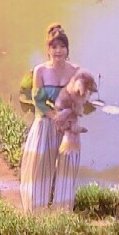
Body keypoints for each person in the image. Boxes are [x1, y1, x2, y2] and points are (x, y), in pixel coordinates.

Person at [18, 23, 77, 211]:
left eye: (62, 46)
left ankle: (62, 213)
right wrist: (55, 117)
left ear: (68, 50)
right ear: (48, 50)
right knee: (39, 170)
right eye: (54, 46)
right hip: (45, 124)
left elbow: (79, 100)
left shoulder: (75, 71)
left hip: (67, 126)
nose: (58, 50)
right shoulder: (40, 71)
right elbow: (39, 101)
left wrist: (66, 117)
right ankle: (36, 214)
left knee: (66, 170)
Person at [47, 70, 98, 211]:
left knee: (69, 148)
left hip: (69, 114)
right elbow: (79, 88)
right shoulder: (76, 84)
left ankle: (62, 202)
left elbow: (84, 91)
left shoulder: (79, 77)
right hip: (62, 111)